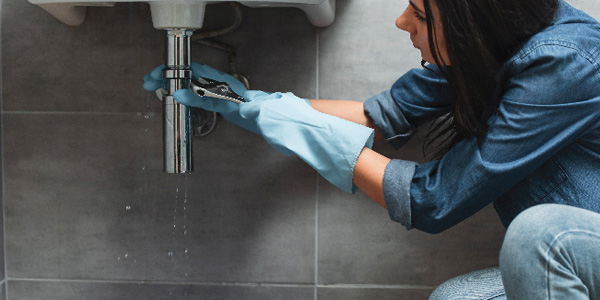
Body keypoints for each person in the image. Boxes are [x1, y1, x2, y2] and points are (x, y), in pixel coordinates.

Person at [144, 0, 600, 298]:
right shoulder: (492, 44)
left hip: (569, 250)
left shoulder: (563, 63)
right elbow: (382, 116)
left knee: (542, 235)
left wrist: (314, 134)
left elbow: (435, 199)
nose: (401, 21)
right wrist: (247, 102)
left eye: (420, 14)